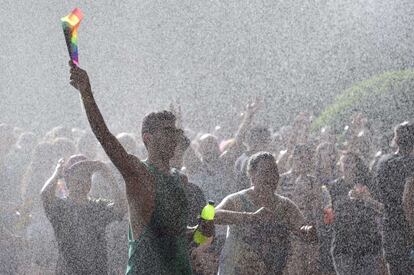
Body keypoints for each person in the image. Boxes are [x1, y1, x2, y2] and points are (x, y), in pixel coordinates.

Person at [69, 61, 201, 274]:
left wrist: (199, 231)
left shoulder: (181, 179)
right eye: (167, 131)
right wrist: (86, 93)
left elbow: (174, 234)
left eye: (175, 132)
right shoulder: (139, 173)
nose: (174, 137)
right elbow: (104, 136)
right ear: (147, 138)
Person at [212, 152, 316, 275]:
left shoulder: (285, 206)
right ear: (252, 175)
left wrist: (308, 231)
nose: (271, 177)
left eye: (274, 172)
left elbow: (302, 228)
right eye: (265, 172)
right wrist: (251, 217)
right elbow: (211, 215)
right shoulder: (237, 200)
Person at [41, 157, 125, 274]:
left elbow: (121, 208)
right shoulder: (61, 208)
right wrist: (57, 173)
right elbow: (45, 195)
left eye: (86, 176)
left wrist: (109, 176)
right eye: (77, 176)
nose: (82, 181)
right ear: (67, 180)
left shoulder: (97, 207)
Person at [330, 152, 383, 275]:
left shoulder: (368, 184)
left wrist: (366, 199)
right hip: (343, 246)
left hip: (367, 246)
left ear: (356, 164)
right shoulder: (334, 187)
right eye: (344, 161)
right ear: (339, 165)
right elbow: (328, 216)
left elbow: (383, 210)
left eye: (350, 161)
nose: (347, 165)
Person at [374, 121, 414, 274]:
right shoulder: (410, 164)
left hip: (390, 227)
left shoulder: (383, 162)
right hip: (407, 229)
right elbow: (407, 201)